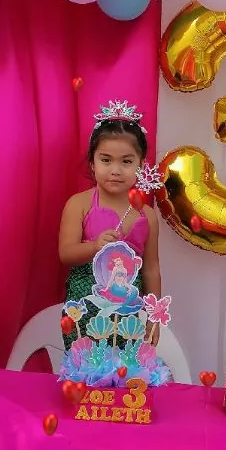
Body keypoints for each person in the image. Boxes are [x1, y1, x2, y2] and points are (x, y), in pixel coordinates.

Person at [59, 100, 161, 350]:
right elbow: (65, 254)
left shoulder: (146, 215)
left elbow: (150, 270)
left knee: (124, 372)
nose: (115, 170)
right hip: (84, 307)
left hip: (129, 313)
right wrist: (94, 246)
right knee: (88, 370)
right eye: (106, 160)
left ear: (140, 165)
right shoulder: (79, 204)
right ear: (92, 163)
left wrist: (154, 317)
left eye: (126, 162)